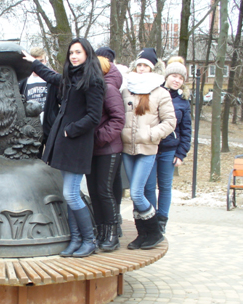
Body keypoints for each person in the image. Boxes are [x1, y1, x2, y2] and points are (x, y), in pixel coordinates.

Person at [23, 38, 105, 258]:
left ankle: (89, 240)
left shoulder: (93, 80)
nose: (74, 56)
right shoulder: (71, 77)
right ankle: (76, 239)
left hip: (77, 144)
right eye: (71, 53)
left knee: (70, 193)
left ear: (87, 54)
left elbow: (94, 116)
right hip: (66, 143)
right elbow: (52, 77)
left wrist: (71, 130)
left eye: (78, 52)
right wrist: (33, 62)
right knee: (70, 194)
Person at [121, 48, 176, 250]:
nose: (142, 68)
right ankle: (142, 234)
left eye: (146, 65)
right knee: (135, 193)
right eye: (139, 65)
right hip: (127, 149)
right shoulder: (126, 89)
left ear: (152, 68)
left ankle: (154, 233)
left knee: (137, 193)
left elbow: (170, 121)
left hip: (147, 149)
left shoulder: (160, 92)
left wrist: (152, 134)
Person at [143, 56, 192, 234]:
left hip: (169, 150)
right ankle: (151, 219)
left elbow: (186, 130)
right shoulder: (155, 93)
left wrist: (181, 153)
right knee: (148, 187)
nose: (177, 80)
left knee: (164, 187)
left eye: (180, 78)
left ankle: (162, 221)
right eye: (174, 76)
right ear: (166, 76)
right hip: (150, 148)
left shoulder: (183, 102)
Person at [86, 52, 125, 252]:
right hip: (90, 149)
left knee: (104, 190)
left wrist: (99, 138)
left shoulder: (109, 89)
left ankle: (112, 233)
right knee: (93, 191)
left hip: (108, 148)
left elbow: (118, 119)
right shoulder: (91, 88)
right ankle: (101, 230)